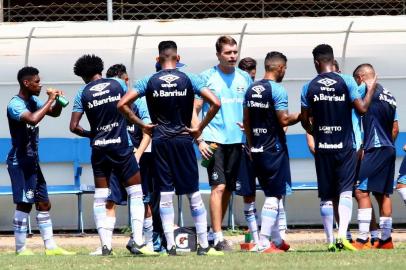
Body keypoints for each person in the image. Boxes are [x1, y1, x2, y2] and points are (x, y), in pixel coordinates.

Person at [118, 40, 222, 256]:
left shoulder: (148, 80)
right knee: (192, 192)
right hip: (184, 140)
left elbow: (121, 105)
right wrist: (199, 129)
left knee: (165, 193)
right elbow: (216, 103)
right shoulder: (190, 78)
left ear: (158, 59)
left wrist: (141, 124)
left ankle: (171, 246)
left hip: (160, 141)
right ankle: (203, 245)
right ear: (178, 58)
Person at [70, 55, 154, 256]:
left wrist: (93, 134)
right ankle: (138, 241)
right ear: (101, 68)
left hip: (99, 148)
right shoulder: (117, 84)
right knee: (135, 191)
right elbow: (126, 107)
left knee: (101, 197)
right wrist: (139, 123)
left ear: (83, 76)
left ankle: (105, 246)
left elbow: (73, 126)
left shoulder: (82, 92)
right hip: (121, 146)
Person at [300, 44, 377, 251]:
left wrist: (315, 131)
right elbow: (361, 110)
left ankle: (330, 241)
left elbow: (304, 120)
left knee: (326, 194)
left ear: (316, 62)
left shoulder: (308, 87)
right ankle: (343, 236)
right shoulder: (347, 81)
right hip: (345, 146)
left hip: (323, 147)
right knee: (344, 191)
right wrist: (370, 90)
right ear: (332, 60)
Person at [7, 66, 74, 255]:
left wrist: (57, 103)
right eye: (36, 81)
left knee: (44, 203)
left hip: (32, 161)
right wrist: (50, 99)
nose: (40, 84)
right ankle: (21, 249)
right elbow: (33, 119)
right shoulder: (15, 104)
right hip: (19, 161)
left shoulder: (33, 100)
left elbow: (53, 113)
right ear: (26, 83)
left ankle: (51, 247)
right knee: (24, 203)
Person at [195, 36, 253, 251]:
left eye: (235, 52)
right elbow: (195, 110)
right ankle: (219, 237)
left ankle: (213, 232)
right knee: (218, 186)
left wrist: (248, 130)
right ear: (218, 54)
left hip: (237, 141)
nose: (232, 56)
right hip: (213, 141)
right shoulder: (207, 77)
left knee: (228, 187)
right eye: (228, 53)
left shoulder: (245, 78)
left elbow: (250, 107)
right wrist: (199, 139)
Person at [243, 51, 300, 253]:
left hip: (256, 148)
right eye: (285, 68)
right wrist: (303, 114)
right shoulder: (277, 90)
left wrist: (251, 145)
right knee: (274, 196)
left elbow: (247, 121)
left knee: (270, 192)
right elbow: (284, 120)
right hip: (273, 148)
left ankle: (277, 240)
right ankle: (264, 242)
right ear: (279, 68)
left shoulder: (251, 89)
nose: (284, 72)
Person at [352, 63, 398, 250]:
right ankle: (386, 240)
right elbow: (395, 128)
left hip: (375, 148)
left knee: (360, 191)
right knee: (382, 194)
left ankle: (362, 239)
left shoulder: (364, 89)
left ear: (360, 78)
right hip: (389, 148)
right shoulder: (390, 96)